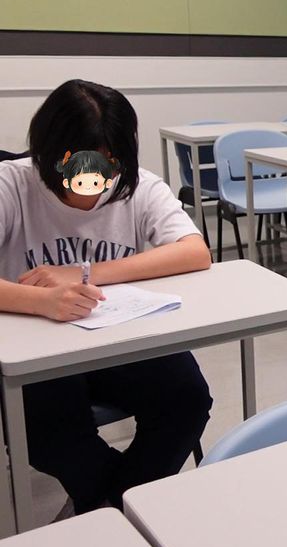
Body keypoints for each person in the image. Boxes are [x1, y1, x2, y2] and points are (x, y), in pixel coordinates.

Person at [0, 80, 213, 519]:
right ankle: (119, 507)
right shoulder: (12, 185)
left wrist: (83, 272)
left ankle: (105, 508)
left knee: (187, 398)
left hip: (116, 334)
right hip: (37, 346)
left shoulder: (137, 186)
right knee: (48, 432)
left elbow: (195, 252)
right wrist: (42, 301)